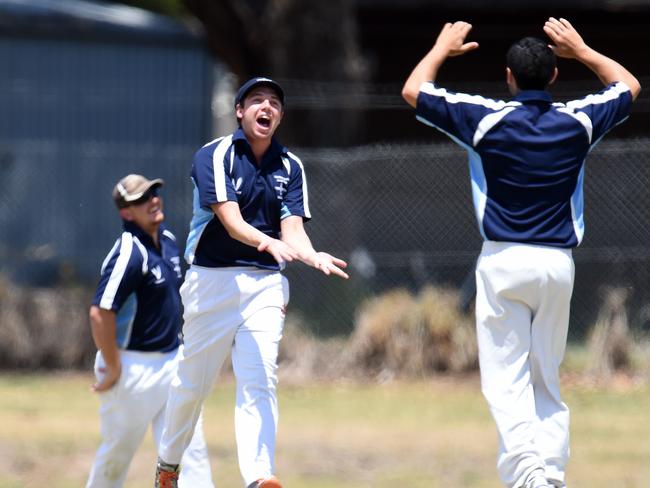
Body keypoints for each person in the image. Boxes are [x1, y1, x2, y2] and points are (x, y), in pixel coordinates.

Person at [402, 17, 640, 488]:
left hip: (504, 259)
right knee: (546, 379)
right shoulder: (577, 122)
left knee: (505, 381)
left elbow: (414, 90)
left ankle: (529, 476)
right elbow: (628, 84)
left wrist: (441, 47)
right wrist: (584, 50)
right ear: (553, 76)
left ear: (508, 78)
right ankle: (549, 478)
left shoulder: (486, 120)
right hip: (556, 266)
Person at [154, 77, 349, 488]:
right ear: (239, 111)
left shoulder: (289, 166)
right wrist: (268, 242)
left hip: (265, 284)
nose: (267, 107)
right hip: (212, 281)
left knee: (260, 378)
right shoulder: (215, 154)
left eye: (274, 102)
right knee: (193, 384)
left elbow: (292, 230)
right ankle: (169, 465)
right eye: (256, 100)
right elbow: (230, 219)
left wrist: (311, 254)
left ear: (279, 115)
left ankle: (259, 477)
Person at [87, 174, 214, 488]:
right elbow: (100, 312)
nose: (153, 201)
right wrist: (113, 364)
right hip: (134, 368)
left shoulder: (168, 240)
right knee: (116, 457)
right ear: (126, 213)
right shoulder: (129, 253)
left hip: (173, 362)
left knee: (189, 453)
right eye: (142, 199)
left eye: (154, 193)